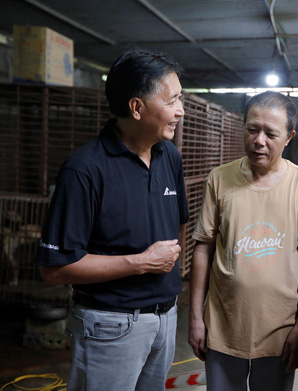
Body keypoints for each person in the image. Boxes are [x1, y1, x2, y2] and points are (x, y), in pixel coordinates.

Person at [35, 49, 189, 391]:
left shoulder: (170, 157)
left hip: (166, 319)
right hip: (110, 325)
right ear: (136, 108)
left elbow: (178, 225)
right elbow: (54, 269)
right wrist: (140, 263)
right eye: (173, 100)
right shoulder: (85, 169)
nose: (181, 110)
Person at [188, 91, 298, 391]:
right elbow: (203, 248)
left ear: (289, 137)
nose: (259, 140)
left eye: (270, 133)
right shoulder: (219, 179)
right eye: (252, 129)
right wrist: (195, 317)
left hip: (279, 331)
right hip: (223, 327)